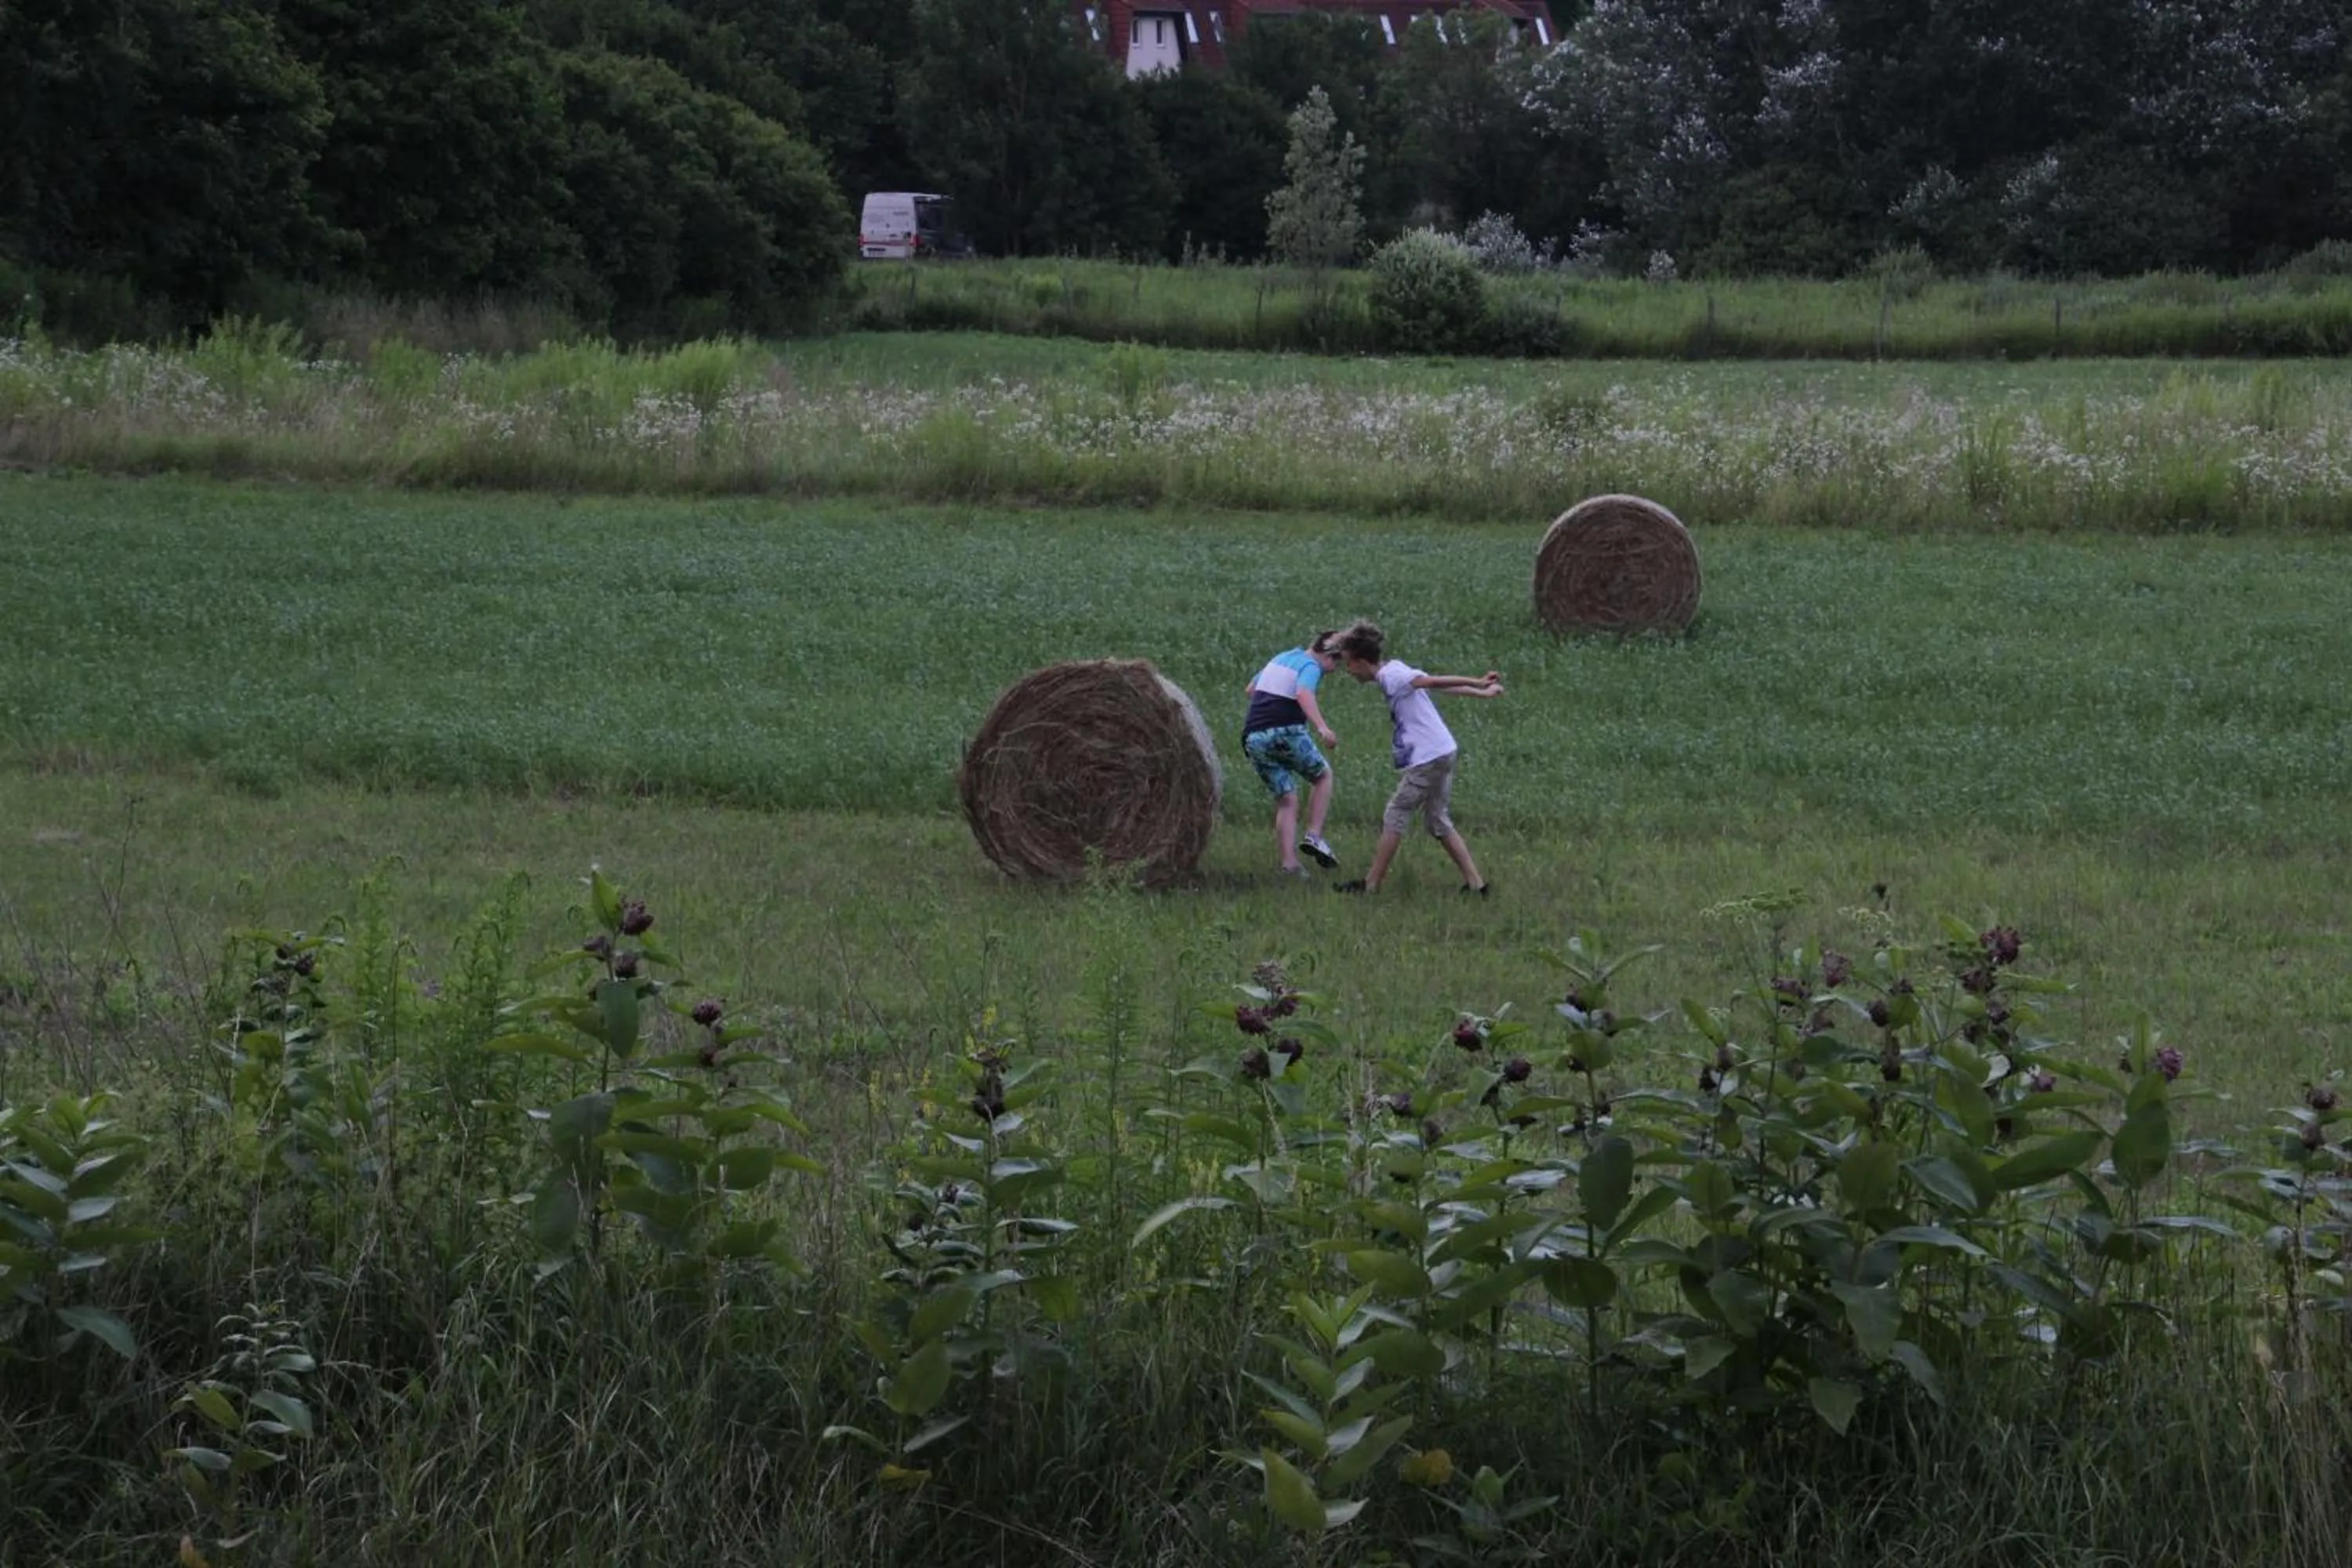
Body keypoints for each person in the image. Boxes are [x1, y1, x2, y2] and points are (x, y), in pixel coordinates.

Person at [1327, 620, 1501, 896]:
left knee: (1396, 813)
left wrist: (1477, 681)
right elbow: (1434, 686)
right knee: (1437, 820)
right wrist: (1482, 693)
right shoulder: (1394, 670)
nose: (1348, 671)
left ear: (1361, 662)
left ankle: (1370, 885)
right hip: (1443, 750)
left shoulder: (1392, 676)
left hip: (1429, 757)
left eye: (1349, 664)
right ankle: (1477, 885)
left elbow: (1431, 682)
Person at [1241, 630, 1344, 878]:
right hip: (1285, 731)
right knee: (1323, 776)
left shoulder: (1282, 657)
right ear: (1329, 656)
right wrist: (1322, 727)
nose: (1335, 669)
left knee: (1287, 799)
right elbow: (1303, 692)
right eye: (1337, 663)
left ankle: (1289, 865)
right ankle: (1314, 836)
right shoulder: (1311, 665)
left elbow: (1251, 689)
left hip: (1253, 737)